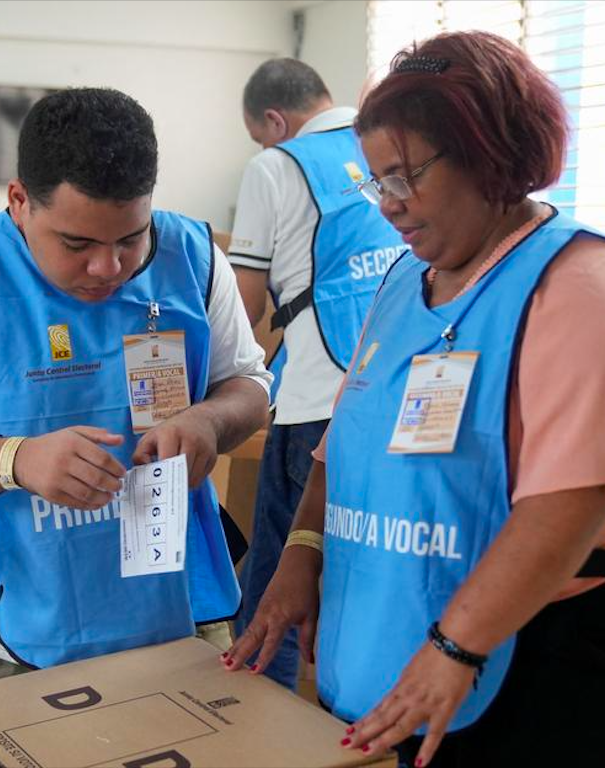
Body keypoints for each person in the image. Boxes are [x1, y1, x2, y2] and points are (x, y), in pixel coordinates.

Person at [224, 32, 605, 768]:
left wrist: (456, 645)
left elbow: (575, 498)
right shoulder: (401, 283)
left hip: (557, 641)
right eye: (375, 182)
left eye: (406, 177)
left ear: (488, 152)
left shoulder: (587, 286)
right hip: (428, 615)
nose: (387, 206)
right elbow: (344, 438)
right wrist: (302, 551)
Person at [0, 87, 272, 686]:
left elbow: (249, 386)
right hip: (21, 630)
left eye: (130, 239)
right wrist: (17, 459)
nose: (108, 269)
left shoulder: (193, 256)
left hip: (183, 610)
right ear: (19, 202)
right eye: (77, 244)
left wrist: (208, 422)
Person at [227, 58, 403, 689]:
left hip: (314, 405)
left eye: (260, 134)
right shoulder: (388, 144)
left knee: (277, 579)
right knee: (362, 575)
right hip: (394, 395)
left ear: (275, 120)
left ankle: (260, 727)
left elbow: (240, 308)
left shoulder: (275, 166)